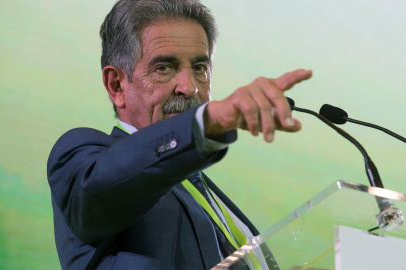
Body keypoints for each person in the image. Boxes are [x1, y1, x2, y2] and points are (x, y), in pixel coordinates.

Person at [47, 0, 312, 269]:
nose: (190, 88)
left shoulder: (202, 188)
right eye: (164, 68)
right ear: (117, 85)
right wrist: (208, 121)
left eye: (199, 68)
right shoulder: (82, 156)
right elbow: (100, 187)